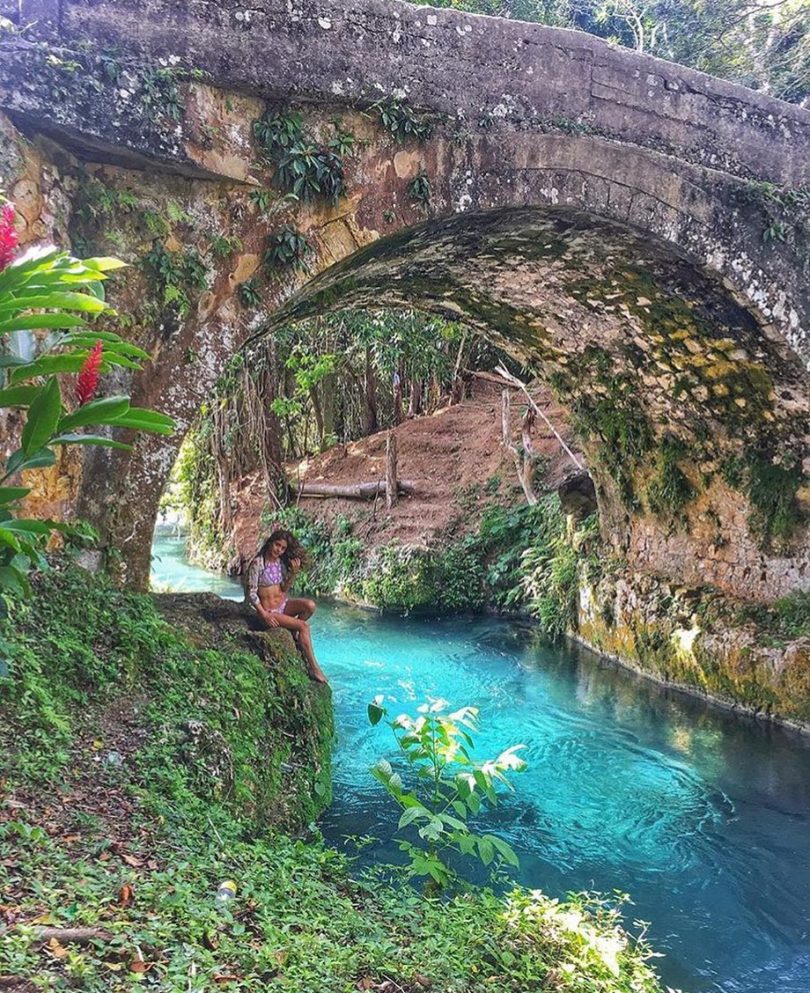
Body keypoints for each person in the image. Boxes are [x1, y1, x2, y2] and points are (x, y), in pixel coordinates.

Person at [245, 529, 328, 684]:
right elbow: (252, 593)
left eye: (283, 548)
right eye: (277, 545)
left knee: (310, 606)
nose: (279, 550)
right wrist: (264, 615)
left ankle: (293, 631)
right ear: (270, 542)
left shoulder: (279, 563)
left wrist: (294, 573)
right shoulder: (258, 563)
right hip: (269, 612)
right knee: (303, 626)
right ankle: (314, 668)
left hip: (282, 605)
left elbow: (283, 589)